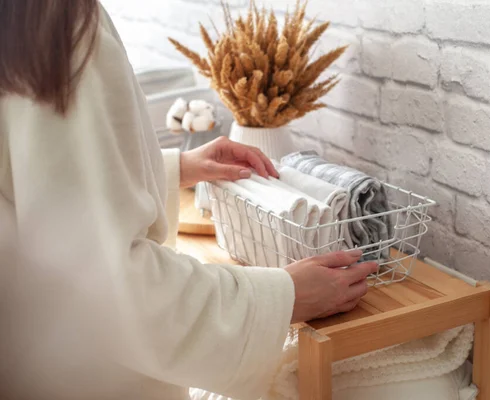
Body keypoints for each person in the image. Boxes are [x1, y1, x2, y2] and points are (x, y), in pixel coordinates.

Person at [0, 1, 378, 399]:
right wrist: (283, 298)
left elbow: (33, 185)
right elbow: (106, 286)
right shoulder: (55, 26)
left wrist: (172, 167)